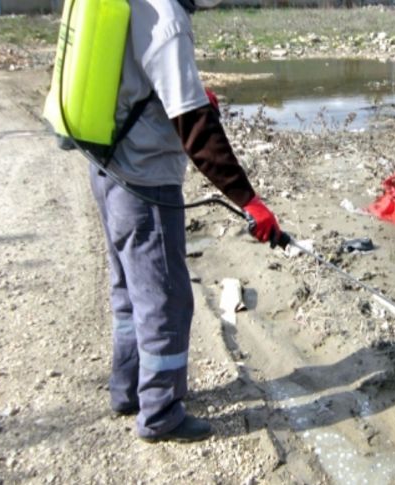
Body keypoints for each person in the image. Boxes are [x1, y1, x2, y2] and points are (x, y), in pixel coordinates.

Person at [89, 0, 280, 443]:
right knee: (167, 300)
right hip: (144, 181)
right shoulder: (167, 18)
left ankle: (127, 389)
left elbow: (135, 80)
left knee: (129, 290)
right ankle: (160, 412)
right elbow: (196, 127)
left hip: (106, 167)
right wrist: (248, 200)